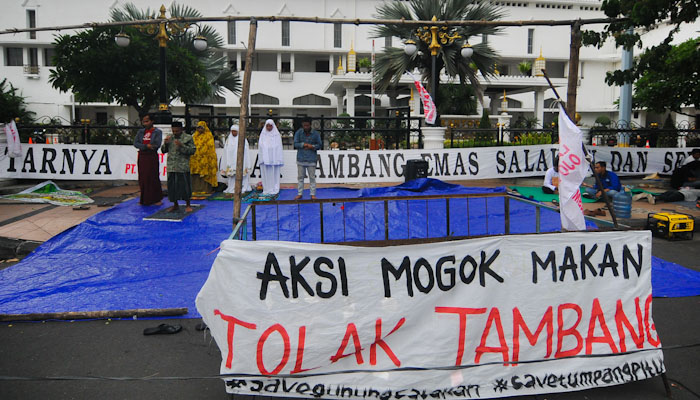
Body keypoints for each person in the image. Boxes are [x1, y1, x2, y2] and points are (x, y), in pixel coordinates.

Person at [161, 121, 196, 212]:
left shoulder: (188, 138)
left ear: (181, 129)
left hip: (182, 166)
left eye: (177, 131)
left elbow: (192, 151)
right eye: (173, 131)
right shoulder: (170, 138)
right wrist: (166, 143)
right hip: (171, 166)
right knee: (172, 187)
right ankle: (175, 204)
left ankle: (188, 205)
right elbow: (163, 151)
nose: (175, 133)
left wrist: (182, 146)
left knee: (184, 186)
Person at [133, 113, 163, 206]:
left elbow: (156, 145)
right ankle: (144, 199)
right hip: (142, 156)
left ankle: (156, 199)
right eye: (143, 121)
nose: (145, 123)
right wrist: (146, 146)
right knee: (143, 177)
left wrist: (150, 146)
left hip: (151, 156)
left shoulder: (157, 132)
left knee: (152, 176)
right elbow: (136, 143)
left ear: (152, 121)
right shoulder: (141, 132)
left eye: (147, 121)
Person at [293, 117, 322, 200]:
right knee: (300, 178)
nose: (306, 127)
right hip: (301, 158)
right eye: (304, 125)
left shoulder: (316, 134)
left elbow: (320, 145)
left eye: (307, 125)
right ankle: (299, 193)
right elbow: (295, 144)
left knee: (312, 178)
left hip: (311, 159)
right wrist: (303, 145)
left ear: (310, 125)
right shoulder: (298, 133)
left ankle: (313, 194)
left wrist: (312, 146)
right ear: (302, 125)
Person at [221, 124, 251, 197]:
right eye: (232, 131)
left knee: (241, 174)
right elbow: (225, 151)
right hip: (231, 160)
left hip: (241, 161)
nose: (234, 133)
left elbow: (246, 151)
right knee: (232, 175)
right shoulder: (228, 140)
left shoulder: (243, 139)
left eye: (235, 131)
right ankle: (232, 188)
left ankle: (242, 187)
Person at [190, 121, 219, 195]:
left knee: (204, 175)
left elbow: (210, 148)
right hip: (195, 159)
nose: (199, 129)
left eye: (201, 128)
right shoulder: (194, 136)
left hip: (206, 159)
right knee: (196, 175)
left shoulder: (208, 136)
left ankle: (205, 189)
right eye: (198, 128)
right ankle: (195, 189)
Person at [258, 119, 284, 196]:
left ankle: (274, 188)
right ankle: (266, 189)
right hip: (265, 160)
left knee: (274, 173)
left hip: (274, 159)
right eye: (267, 126)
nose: (269, 127)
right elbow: (261, 146)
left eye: (270, 126)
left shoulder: (277, 135)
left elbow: (278, 147)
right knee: (265, 174)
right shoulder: (263, 135)